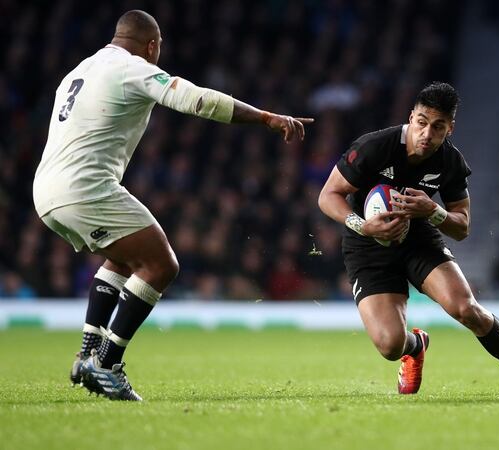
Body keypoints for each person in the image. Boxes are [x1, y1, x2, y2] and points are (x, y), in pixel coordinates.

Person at [32, 10, 313, 401]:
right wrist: (267, 118)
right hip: (85, 187)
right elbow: (195, 99)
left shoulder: (79, 71)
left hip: (46, 190)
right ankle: (107, 363)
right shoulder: (131, 68)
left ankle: (87, 354)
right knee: (162, 265)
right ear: (152, 46)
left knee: (125, 256)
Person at [318, 82, 499, 395]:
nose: (427, 134)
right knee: (389, 345)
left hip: (418, 236)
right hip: (367, 243)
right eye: (422, 123)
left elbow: (462, 227)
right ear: (412, 117)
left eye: (437, 127)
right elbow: (328, 195)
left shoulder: (450, 162)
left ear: (450, 128)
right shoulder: (375, 146)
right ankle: (416, 345)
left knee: (466, 308)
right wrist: (363, 225)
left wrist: (433, 211)